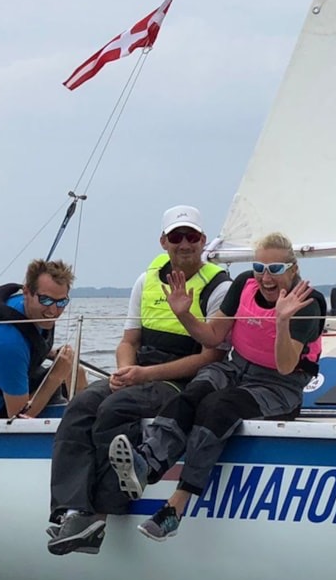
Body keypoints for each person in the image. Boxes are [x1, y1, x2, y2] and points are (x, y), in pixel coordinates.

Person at [110, 232, 325, 542]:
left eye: (276, 269)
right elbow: (212, 337)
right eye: (259, 267)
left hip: (280, 385)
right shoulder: (242, 286)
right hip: (238, 367)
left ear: (292, 269)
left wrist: (281, 321)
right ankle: (149, 462)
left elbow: (286, 366)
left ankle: (175, 508)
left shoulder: (307, 303)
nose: (266, 277)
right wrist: (183, 314)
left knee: (218, 406)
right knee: (196, 391)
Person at [46, 205, 231, 555]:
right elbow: (128, 341)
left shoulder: (220, 286)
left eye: (191, 236)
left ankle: (102, 511)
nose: (184, 243)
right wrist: (124, 371)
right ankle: (72, 510)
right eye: (177, 237)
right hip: (139, 369)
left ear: (203, 241)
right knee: (82, 405)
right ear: (164, 241)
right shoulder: (146, 281)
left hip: (179, 379)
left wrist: (144, 375)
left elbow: (212, 356)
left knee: (116, 409)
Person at [0, 259, 82, 420]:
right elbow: (17, 418)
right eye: (46, 300)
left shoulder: (27, 309)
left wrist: (51, 354)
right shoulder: (8, 344)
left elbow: (29, 339)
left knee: (76, 371)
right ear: (26, 293)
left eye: (62, 302)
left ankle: (85, 423)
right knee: (60, 380)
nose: (53, 310)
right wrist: (55, 376)